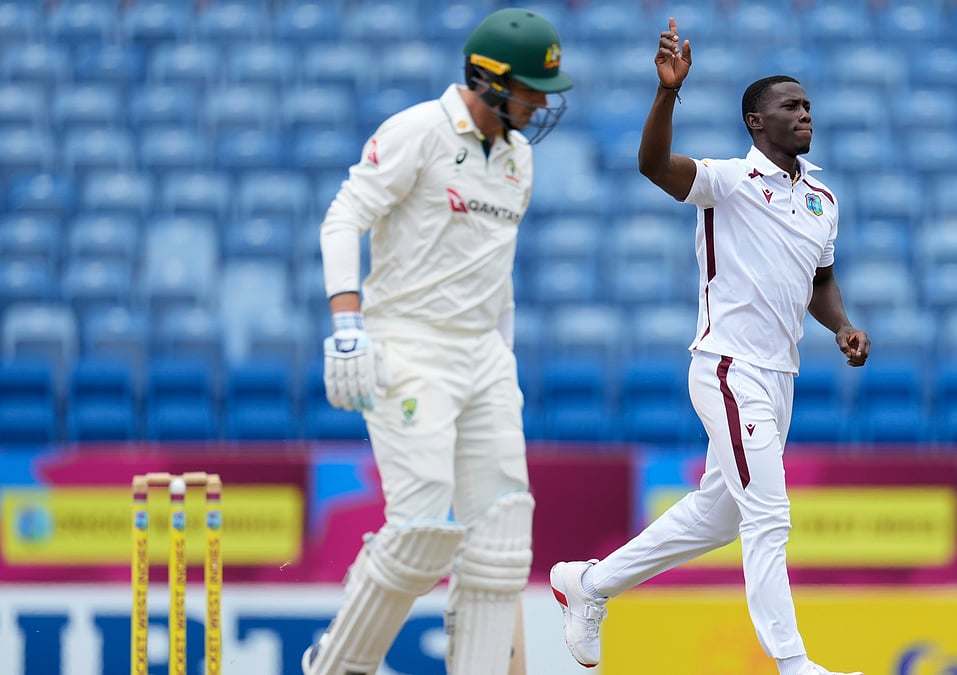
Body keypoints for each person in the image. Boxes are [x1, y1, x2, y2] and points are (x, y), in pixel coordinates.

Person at [550, 18, 869, 675]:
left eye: (808, 104)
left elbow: (821, 279)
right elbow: (652, 165)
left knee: (719, 516)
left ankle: (589, 583)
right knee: (768, 514)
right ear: (757, 122)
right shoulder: (726, 182)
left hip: (780, 376)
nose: (805, 113)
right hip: (729, 368)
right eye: (791, 106)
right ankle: (793, 662)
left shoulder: (822, 198)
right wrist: (667, 94)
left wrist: (839, 325)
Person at [303, 8, 571, 675]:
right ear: (486, 78)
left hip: (484, 352)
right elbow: (344, 218)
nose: (540, 105)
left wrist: (501, 359)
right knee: (420, 531)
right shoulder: (417, 130)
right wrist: (347, 326)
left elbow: (496, 270)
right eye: (531, 89)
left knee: (504, 537)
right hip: (411, 345)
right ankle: (336, 667)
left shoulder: (520, 156)